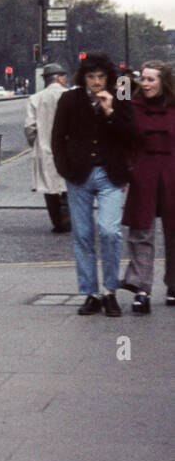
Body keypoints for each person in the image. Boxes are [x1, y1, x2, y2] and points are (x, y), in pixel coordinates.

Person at [51, 51, 138, 317]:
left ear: (108, 77)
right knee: (83, 235)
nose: (96, 82)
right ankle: (90, 293)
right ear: (84, 78)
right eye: (91, 77)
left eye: (101, 77)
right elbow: (57, 137)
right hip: (79, 175)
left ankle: (110, 290)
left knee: (110, 231)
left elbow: (131, 136)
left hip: (110, 174)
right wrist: (64, 168)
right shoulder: (69, 99)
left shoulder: (121, 96)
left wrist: (110, 111)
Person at [119, 61, 175, 313]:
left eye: (151, 79)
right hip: (144, 173)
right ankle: (142, 289)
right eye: (143, 78)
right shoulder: (132, 107)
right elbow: (124, 140)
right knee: (142, 233)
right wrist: (130, 168)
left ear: (164, 82)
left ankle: (174, 286)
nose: (145, 83)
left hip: (173, 171)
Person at [24, 63, 71, 232]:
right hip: (68, 149)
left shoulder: (35, 98)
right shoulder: (70, 95)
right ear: (59, 78)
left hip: (44, 148)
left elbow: (29, 127)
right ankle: (68, 217)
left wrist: (34, 143)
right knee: (68, 186)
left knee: (49, 189)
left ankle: (57, 223)